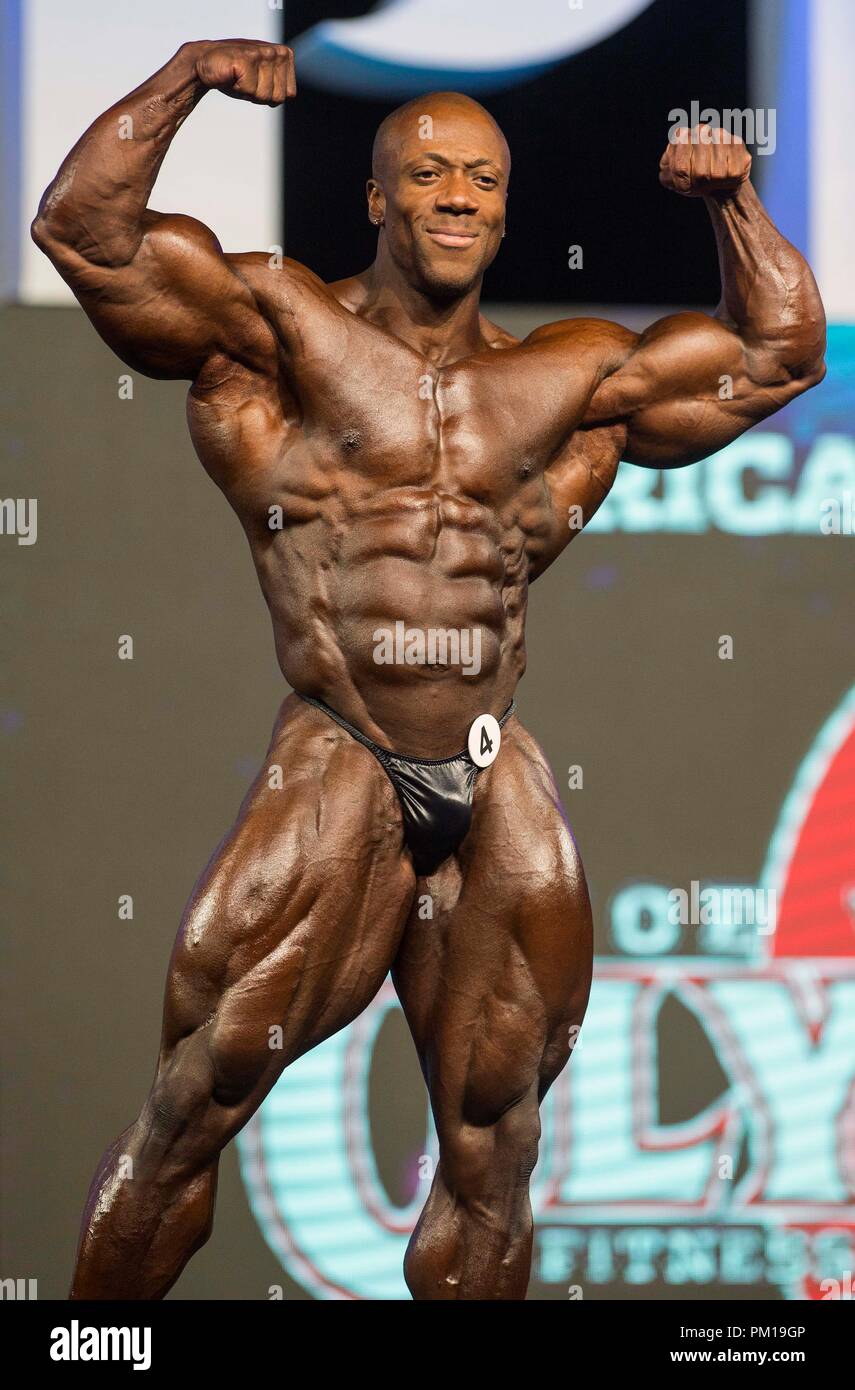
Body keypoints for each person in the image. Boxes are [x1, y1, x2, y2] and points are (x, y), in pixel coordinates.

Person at [32, 39, 826, 1300]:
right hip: (344, 747)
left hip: (487, 769)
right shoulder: (277, 328)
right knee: (197, 1097)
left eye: (486, 180)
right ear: (377, 197)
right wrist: (185, 77)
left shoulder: (567, 377)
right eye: (432, 173)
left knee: (496, 1142)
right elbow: (86, 233)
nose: (460, 196)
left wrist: (734, 201)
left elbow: (780, 354)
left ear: (508, 208)